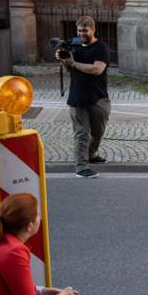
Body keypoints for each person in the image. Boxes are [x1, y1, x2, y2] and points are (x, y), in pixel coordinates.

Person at [56, 15, 111, 179]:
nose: (81, 34)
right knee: (81, 134)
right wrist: (63, 59)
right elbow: (69, 69)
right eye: (79, 31)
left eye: (85, 31)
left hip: (98, 98)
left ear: (93, 30)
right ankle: (81, 166)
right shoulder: (74, 48)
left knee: (98, 132)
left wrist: (73, 64)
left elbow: (97, 69)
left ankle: (91, 154)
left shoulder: (101, 48)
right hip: (77, 98)